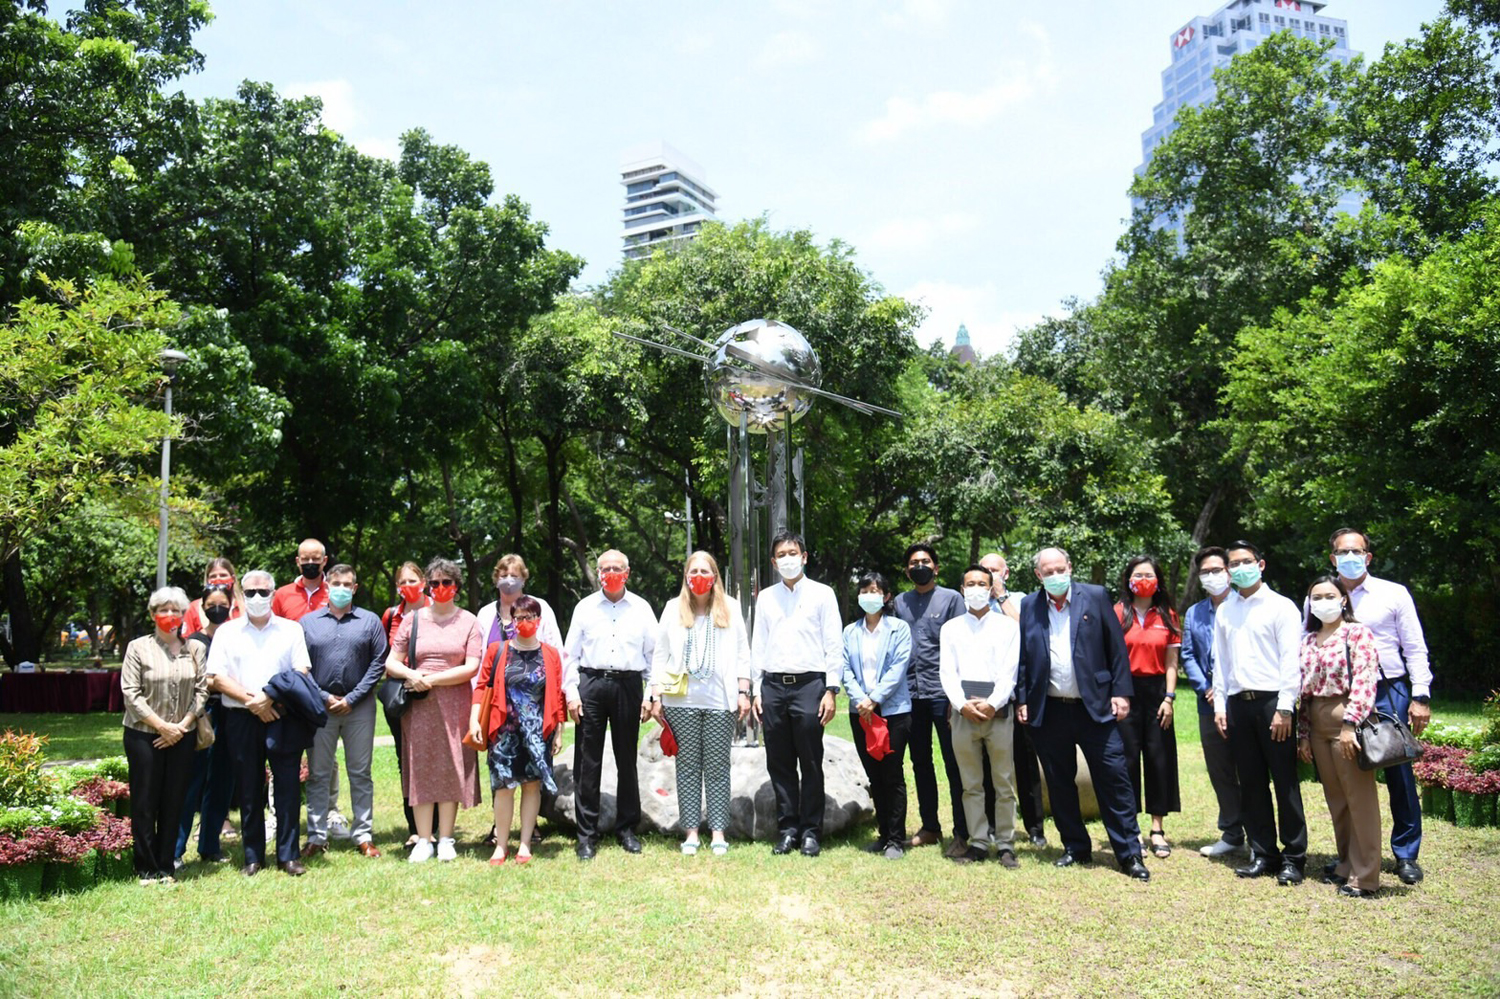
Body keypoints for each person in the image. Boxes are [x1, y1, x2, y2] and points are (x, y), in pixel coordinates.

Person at [1016, 547, 1150, 882]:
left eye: (1060, 568)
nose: (1055, 575)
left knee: (1114, 779)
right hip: (1050, 709)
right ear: (1038, 575)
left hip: (1096, 708)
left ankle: (1129, 854)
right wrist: (1022, 699)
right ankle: (1075, 846)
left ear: (1070, 567)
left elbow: (1116, 648)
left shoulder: (1094, 596)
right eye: (1048, 571)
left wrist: (1121, 692)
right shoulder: (1029, 605)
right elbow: (1023, 658)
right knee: (1059, 783)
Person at [1329, 527, 1432, 886]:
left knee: (1399, 774)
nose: (1350, 557)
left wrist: (1419, 695)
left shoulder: (1393, 593)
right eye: (1343, 552)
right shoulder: (1325, 596)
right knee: (1350, 781)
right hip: (1341, 695)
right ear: (1333, 558)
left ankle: (1405, 854)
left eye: (1357, 551)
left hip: (1388, 691)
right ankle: (1354, 854)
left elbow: (1415, 647)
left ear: (1368, 557)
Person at [205, 570, 314, 877]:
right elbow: (215, 677)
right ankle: (253, 856)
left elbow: (301, 671)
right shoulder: (227, 632)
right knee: (249, 788)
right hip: (240, 717)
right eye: (250, 592)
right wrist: (251, 701)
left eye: (263, 592)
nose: (257, 598)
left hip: (282, 714)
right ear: (241, 594)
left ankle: (288, 855)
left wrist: (268, 698)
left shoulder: (291, 630)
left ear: (273, 593)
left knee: (288, 788)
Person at [1212, 540, 1307, 886]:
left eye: (1245, 561)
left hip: (1272, 704)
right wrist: (1220, 705)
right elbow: (1219, 664)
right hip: (1238, 704)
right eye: (1232, 564)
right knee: (1250, 783)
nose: (1239, 569)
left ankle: (1294, 857)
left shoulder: (1281, 607)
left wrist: (1285, 708)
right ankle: (1264, 853)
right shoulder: (1225, 610)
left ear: (1261, 564)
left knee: (1284, 782)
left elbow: (1290, 661)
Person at [649, 552, 753, 856]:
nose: (698, 576)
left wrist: (743, 691)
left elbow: (742, 653)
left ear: (715, 576)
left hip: (720, 701)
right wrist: (655, 694)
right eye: (693, 571)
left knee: (718, 766)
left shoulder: (730, 608)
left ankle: (718, 830)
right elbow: (659, 655)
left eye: (704, 571)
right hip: (681, 701)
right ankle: (691, 831)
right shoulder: (672, 609)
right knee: (688, 766)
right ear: (685, 576)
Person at [385, 557, 482, 862]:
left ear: (457, 587)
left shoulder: (469, 621)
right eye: (436, 583)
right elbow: (391, 661)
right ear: (429, 584)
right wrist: (413, 675)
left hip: (455, 701)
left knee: (452, 764)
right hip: (420, 703)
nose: (441, 588)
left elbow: (471, 667)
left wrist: (434, 679)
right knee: (421, 765)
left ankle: (446, 838)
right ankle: (423, 839)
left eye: (447, 583)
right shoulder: (413, 620)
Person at [752, 531, 843, 857]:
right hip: (773, 687)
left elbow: (834, 645)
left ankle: (811, 832)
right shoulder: (766, 597)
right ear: (774, 562)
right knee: (779, 762)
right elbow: (758, 644)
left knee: (810, 760)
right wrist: (755, 689)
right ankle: (788, 829)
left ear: (804, 557)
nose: (788, 559)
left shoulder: (822, 594)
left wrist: (831, 689)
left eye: (794, 552)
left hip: (809, 686)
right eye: (781, 554)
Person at [563, 549, 658, 860]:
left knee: (627, 759)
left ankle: (627, 828)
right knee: (587, 762)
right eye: (606, 568)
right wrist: (572, 693)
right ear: (598, 572)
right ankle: (586, 835)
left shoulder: (642, 609)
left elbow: (653, 656)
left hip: (628, 685)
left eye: (617, 568)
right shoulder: (585, 608)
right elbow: (570, 655)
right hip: (591, 683)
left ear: (627, 572)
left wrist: (651, 693)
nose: (612, 572)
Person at [1298, 575, 1383, 898]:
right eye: (1315, 597)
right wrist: (1304, 735)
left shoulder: (1357, 633)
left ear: (1343, 599)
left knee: (1359, 800)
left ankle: (1367, 875)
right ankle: (1346, 862)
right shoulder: (1308, 639)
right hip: (1317, 725)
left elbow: (1365, 680)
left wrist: (1350, 725)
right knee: (1337, 800)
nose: (1322, 602)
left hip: (1348, 721)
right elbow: (1304, 692)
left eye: (1329, 595)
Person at [473, 553, 565, 847]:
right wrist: (476, 714)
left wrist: (558, 723)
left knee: (531, 779)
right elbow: (480, 669)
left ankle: (529, 829)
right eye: (503, 573)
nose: (508, 578)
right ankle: (499, 831)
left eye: (514, 573)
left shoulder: (541, 609)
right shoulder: (486, 614)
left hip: (536, 710)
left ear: (524, 576)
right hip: (502, 708)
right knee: (502, 779)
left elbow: (555, 657)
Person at [300, 564, 388, 860]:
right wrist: (324, 696)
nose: (340, 588)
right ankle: (316, 836)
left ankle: (363, 835)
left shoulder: (370, 621)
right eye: (335, 582)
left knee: (360, 773)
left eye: (346, 584)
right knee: (318, 774)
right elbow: (301, 665)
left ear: (355, 587)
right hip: (319, 707)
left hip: (359, 708)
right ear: (327, 585)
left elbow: (378, 663)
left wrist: (352, 697)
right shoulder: (307, 623)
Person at [121, 587, 209, 884]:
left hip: (183, 734)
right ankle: (145, 866)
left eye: (175, 610)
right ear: (152, 614)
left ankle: (165, 865)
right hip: (144, 735)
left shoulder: (195, 649)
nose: (169, 615)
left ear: (184, 614)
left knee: (174, 800)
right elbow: (131, 694)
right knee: (145, 801)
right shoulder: (138, 647)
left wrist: (181, 726)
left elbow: (202, 691)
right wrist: (162, 727)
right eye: (163, 609)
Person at [890, 542, 968, 856]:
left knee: (954, 763)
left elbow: (962, 645)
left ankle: (962, 832)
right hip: (911, 695)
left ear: (935, 567)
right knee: (920, 763)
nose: (919, 566)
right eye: (913, 562)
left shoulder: (952, 599)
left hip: (944, 694)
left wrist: (958, 695)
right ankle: (930, 827)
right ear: (907, 570)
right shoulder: (899, 602)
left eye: (925, 561)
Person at [940, 565, 1021, 868]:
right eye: (970, 584)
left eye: (982, 584)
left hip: (998, 714)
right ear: (962, 589)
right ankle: (977, 841)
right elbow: (947, 672)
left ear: (991, 588)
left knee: (1003, 782)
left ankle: (1005, 844)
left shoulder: (1007, 627)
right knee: (971, 783)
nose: (976, 589)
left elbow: (1009, 672)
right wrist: (962, 705)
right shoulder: (951, 628)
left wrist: (992, 703)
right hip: (963, 715)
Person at [1112, 556, 1182, 860]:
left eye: (1148, 574)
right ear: (1128, 579)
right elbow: (1111, 659)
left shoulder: (1167, 615)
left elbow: (1171, 662)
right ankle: (1132, 830)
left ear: (1158, 580)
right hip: (1125, 693)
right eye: (1137, 574)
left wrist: (1169, 698)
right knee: (1125, 761)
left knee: (1158, 759)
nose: (1143, 579)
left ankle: (1157, 829)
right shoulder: (1116, 613)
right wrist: (1115, 695)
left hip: (1157, 694)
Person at [841, 571, 913, 860]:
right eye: (864, 590)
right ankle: (883, 833)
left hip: (893, 711)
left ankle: (896, 838)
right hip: (861, 712)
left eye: (875, 591)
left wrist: (875, 698)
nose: (869, 596)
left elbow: (898, 668)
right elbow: (844, 667)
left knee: (892, 774)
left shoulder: (899, 629)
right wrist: (861, 700)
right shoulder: (850, 631)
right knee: (874, 774)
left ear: (886, 597)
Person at [1180, 546, 1246, 858]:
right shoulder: (1195, 613)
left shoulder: (1244, 605)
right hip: (1208, 703)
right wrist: (1206, 687)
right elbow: (1188, 654)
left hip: (1241, 698)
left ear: (1229, 572)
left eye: (1217, 570)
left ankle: (1260, 833)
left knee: (1249, 768)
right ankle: (1232, 833)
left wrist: (1225, 687)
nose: (1211, 576)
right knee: (1220, 769)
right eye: (1205, 571)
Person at [981, 551, 1047, 849]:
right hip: (983, 692)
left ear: (1005, 573)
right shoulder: (972, 599)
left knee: (1024, 761)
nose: (990, 574)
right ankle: (992, 825)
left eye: (995, 570)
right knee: (988, 763)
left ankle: (1035, 828)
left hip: (1018, 692)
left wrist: (1001, 596)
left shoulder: (1023, 599)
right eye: (984, 569)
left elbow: (1027, 633)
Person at [174, 583, 238, 867]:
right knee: (191, 782)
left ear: (231, 605)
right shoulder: (194, 642)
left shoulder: (237, 636)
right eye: (211, 604)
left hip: (232, 714)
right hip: (202, 716)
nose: (217, 609)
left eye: (223, 604)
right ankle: (175, 849)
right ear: (202, 606)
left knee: (222, 782)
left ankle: (210, 846)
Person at [380, 561, 434, 847]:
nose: (407, 587)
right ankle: (415, 827)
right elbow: (384, 657)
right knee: (407, 760)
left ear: (423, 582)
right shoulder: (391, 615)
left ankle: (435, 825)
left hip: (431, 693)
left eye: (413, 581)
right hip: (401, 696)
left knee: (433, 757)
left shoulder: (437, 611)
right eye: (403, 582)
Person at [180, 557, 244, 636]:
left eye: (223, 575)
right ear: (207, 580)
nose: (218, 579)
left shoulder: (244, 607)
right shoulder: (194, 608)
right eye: (213, 576)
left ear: (232, 578)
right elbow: (187, 639)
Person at [271, 538, 330, 621]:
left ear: (324, 561)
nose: (310, 563)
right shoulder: (282, 594)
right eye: (305, 559)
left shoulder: (334, 594)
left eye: (315, 559)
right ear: (298, 561)